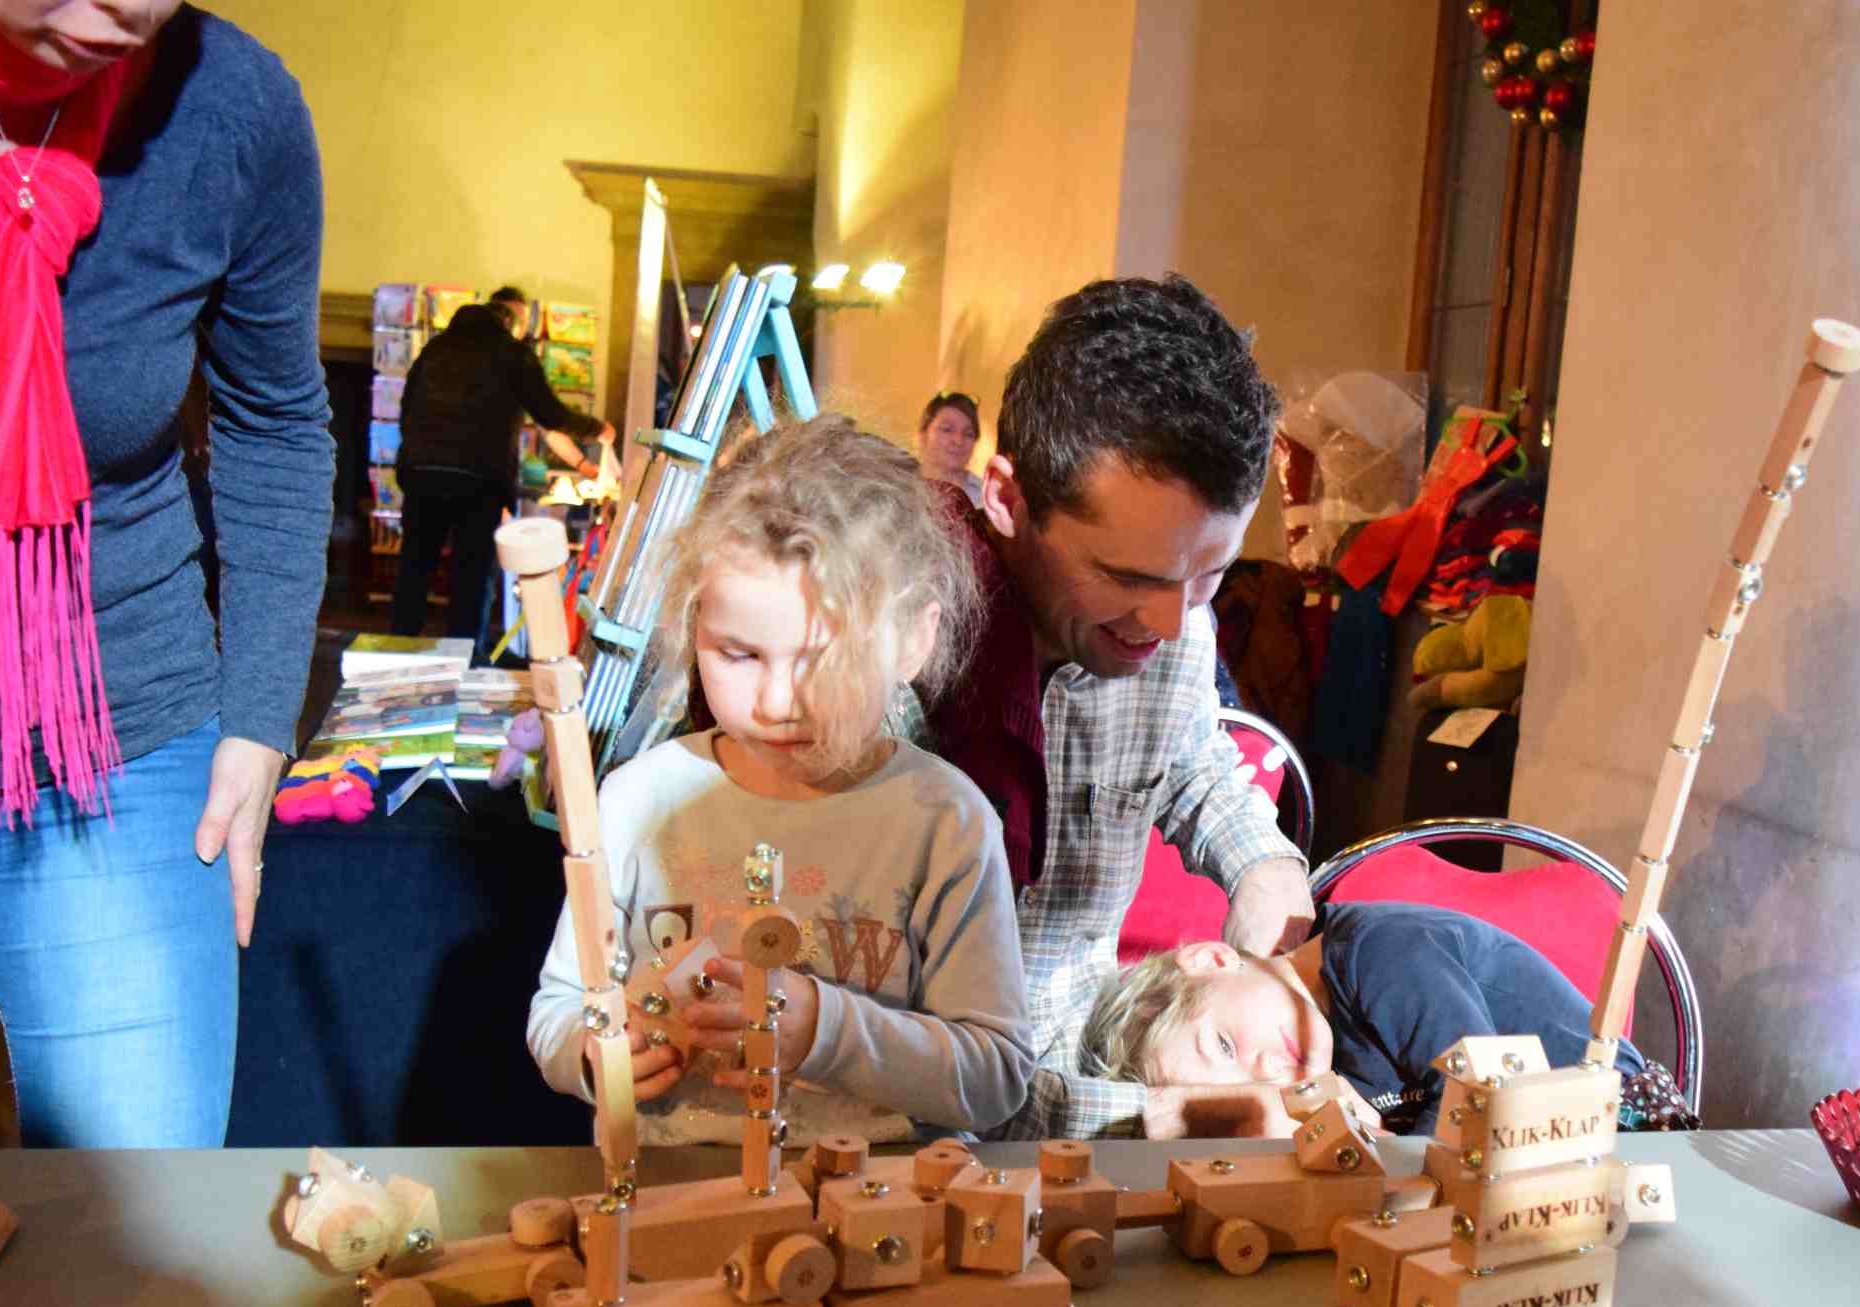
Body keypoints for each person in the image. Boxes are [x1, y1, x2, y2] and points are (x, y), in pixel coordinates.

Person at [0, 0, 330, 1148]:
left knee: (138, 1215)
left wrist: (260, 719)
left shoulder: (233, 109)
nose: (124, 8)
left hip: (115, 730)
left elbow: (276, 421)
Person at [527, 414, 1032, 1140]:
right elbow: (560, 1006)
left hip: (881, 1193)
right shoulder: (637, 798)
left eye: (823, 659)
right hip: (669, 1185)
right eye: (738, 654)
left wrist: (826, 1031)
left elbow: (994, 1078)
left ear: (915, 639)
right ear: (694, 624)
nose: (775, 702)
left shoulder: (945, 819)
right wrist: (591, 1054)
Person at [927, 274, 1313, 1143]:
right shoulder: (903, 655)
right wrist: (1188, 1116)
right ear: (1006, 499)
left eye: (1210, 573)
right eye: (1127, 577)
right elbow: (916, 1071)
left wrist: (1263, 867)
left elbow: (1188, 759)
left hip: (1092, 1076)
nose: (1170, 623)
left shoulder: (1173, 611)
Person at [1080, 903, 1698, 1137]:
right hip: (1520, 1172)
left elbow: (1479, 1095)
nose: (1270, 1070)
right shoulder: (1322, 1048)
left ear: (1213, 959)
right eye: (1255, 1086)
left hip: (1626, 1134)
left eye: (1223, 1044)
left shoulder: (1378, 954)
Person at [390, 284, 610, 659]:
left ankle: (397, 650)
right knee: (471, 575)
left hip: (423, 474)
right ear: (512, 319)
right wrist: (597, 429)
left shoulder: (435, 349)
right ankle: (464, 657)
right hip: (478, 480)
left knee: (415, 568)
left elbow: (406, 410)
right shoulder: (511, 353)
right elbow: (550, 414)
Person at [913, 389, 982, 503]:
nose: (958, 441)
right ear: (923, 435)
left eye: (968, 434)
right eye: (947, 429)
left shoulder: (987, 499)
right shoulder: (902, 490)